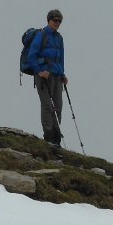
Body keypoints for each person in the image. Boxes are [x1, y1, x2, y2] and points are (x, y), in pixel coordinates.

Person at [28, 9, 67, 146]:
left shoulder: (59, 38)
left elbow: (60, 58)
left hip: (56, 77)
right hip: (43, 76)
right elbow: (31, 55)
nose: (57, 23)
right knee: (47, 106)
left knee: (58, 107)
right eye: (55, 20)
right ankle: (49, 137)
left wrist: (62, 74)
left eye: (59, 21)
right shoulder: (42, 35)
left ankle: (56, 138)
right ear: (49, 20)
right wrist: (39, 71)